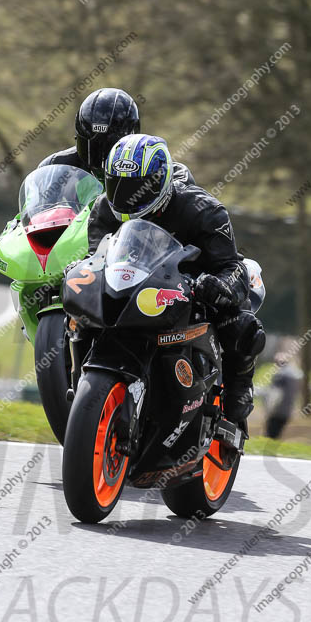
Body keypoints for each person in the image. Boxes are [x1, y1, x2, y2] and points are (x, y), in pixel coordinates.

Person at [87, 133, 265, 424]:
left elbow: (232, 268)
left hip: (189, 287)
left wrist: (217, 286)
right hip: (130, 286)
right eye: (116, 183)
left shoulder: (204, 210)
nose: (124, 194)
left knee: (241, 323)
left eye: (135, 186)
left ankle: (239, 387)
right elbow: (95, 258)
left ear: (159, 181)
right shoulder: (103, 209)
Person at [0, 88, 195, 270]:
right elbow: (32, 213)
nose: (100, 156)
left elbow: (185, 207)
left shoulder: (159, 168)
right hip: (66, 261)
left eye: (109, 145)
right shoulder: (57, 165)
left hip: (136, 260)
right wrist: (4, 240)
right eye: (91, 143)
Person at [264, 352, 302, 438]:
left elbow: (274, 395)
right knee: (276, 435)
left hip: (277, 411)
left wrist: (269, 409)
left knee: (270, 435)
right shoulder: (295, 374)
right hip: (287, 411)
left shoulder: (280, 375)